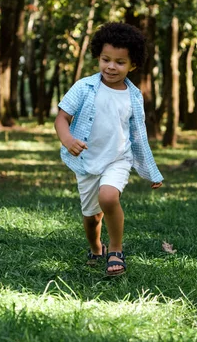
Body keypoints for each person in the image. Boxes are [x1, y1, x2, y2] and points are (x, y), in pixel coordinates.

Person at [54, 22, 163, 277]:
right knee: (91, 218)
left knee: (109, 197)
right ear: (98, 57)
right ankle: (96, 247)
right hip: (87, 160)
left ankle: (116, 249)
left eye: (120, 62)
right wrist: (67, 139)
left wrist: (151, 172)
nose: (111, 66)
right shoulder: (84, 87)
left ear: (133, 64)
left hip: (118, 158)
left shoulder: (134, 96)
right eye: (106, 59)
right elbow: (61, 118)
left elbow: (138, 137)